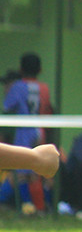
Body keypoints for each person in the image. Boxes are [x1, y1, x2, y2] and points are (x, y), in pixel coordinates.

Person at [2, 52, 54, 213]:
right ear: (40, 69)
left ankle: (27, 206)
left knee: (22, 169)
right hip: (40, 129)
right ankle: (41, 206)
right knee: (37, 171)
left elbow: (8, 106)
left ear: (21, 68)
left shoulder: (18, 86)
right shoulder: (44, 88)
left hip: (24, 130)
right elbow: (46, 109)